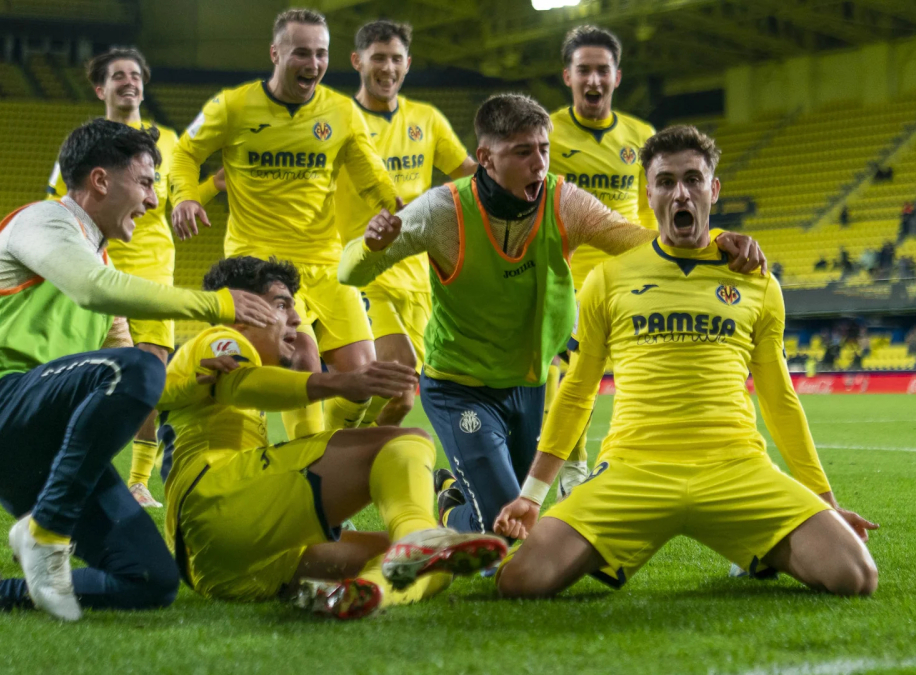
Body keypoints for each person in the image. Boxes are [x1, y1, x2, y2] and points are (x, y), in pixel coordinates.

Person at [338, 94, 766, 536]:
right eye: (522, 152)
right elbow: (349, 273)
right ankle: (448, 505)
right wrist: (370, 244)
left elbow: (634, 241)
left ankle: (458, 495)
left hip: (529, 386)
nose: (539, 164)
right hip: (459, 387)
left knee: (521, 517)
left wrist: (713, 240)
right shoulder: (442, 211)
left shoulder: (563, 202)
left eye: (543, 149)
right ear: (485, 157)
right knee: (503, 527)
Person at [0, 120, 274, 620]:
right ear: (100, 181)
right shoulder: (43, 221)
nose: (151, 200)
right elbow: (93, 291)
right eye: (144, 183)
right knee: (138, 364)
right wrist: (215, 304)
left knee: (149, 579)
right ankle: (46, 532)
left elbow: (137, 383)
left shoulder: (96, 259)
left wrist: (198, 382)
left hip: (54, 458)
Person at [490, 125, 878, 599]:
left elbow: (779, 397)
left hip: (736, 468)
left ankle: (757, 545)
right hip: (634, 469)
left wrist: (825, 501)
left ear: (713, 189)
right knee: (520, 583)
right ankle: (752, 549)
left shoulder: (756, 281)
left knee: (855, 576)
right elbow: (576, 390)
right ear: (649, 192)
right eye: (666, 181)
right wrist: (531, 496)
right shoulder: (609, 278)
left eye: (693, 180)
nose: (681, 193)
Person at [159, 256, 505, 617]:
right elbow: (239, 385)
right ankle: (418, 536)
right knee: (408, 440)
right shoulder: (222, 337)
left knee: (433, 565)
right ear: (240, 311)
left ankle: (371, 591)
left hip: (222, 568)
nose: (295, 318)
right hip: (218, 503)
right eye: (281, 305)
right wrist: (342, 381)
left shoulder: (218, 360)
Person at [171, 8, 400, 438]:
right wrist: (184, 197)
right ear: (275, 52)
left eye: (321, 54)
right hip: (258, 264)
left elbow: (372, 174)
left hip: (325, 262)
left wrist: (394, 207)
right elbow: (184, 154)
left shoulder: (341, 112)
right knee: (302, 362)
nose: (313, 65)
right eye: (301, 53)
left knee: (362, 381)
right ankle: (309, 466)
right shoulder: (232, 106)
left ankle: (331, 453)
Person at [45, 47, 223, 509]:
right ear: (100, 88)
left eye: (136, 75)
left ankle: (139, 482)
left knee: (150, 374)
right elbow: (58, 205)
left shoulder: (168, 144)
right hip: (98, 268)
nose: (130, 82)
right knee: (97, 377)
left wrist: (208, 190)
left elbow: (172, 199)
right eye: (118, 76)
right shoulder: (88, 145)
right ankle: (77, 468)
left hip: (154, 272)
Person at [333, 20, 476, 427]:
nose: (388, 67)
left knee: (398, 401)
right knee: (397, 382)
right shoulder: (340, 121)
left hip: (418, 277)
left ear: (408, 64)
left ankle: (350, 461)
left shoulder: (426, 119)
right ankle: (328, 456)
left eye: (397, 59)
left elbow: (467, 172)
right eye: (378, 58)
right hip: (364, 272)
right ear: (357, 61)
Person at [546, 25, 658, 497]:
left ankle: (635, 464)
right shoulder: (547, 131)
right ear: (567, 75)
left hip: (628, 278)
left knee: (647, 380)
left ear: (617, 76)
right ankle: (573, 468)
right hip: (564, 277)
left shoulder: (642, 136)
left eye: (602, 70)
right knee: (571, 373)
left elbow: (651, 210)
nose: (594, 80)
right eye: (584, 70)